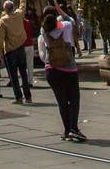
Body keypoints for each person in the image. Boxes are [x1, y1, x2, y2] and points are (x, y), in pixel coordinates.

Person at [38, 8, 84, 142]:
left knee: (62, 102)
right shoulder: (66, 27)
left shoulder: (44, 31)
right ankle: (73, 128)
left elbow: (51, 24)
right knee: (74, 99)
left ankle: (67, 130)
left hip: (51, 69)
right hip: (68, 69)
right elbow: (69, 20)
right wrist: (58, 8)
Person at [0, 0, 31, 104]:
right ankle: (28, 96)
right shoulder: (19, 14)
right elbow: (23, 4)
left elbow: (0, 38)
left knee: (14, 76)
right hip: (21, 47)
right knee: (23, 73)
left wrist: (0, 52)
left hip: (10, 51)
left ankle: (18, 97)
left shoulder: (3, 21)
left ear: (5, 9)